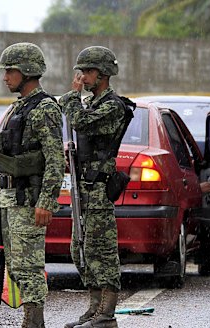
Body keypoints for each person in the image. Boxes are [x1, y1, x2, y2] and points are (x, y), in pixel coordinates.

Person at [0, 42, 65, 327]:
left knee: (29, 267)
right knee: (16, 266)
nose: (5, 77)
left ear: (26, 71)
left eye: (10, 71)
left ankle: (34, 322)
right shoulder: (20, 107)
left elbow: (55, 159)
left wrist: (46, 201)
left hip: (27, 200)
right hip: (9, 197)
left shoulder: (44, 108)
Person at [60, 46, 127, 328]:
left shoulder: (113, 106)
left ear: (101, 74)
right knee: (81, 249)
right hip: (83, 188)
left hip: (99, 190)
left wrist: (72, 96)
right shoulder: (92, 103)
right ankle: (94, 308)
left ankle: (106, 313)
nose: (82, 76)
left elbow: (80, 122)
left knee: (102, 250)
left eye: (87, 71)